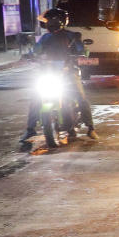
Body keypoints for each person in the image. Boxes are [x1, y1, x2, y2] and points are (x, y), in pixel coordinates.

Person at [19, 8, 98, 142]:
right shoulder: (45, 37)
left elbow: (82, 50)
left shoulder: (72, 36)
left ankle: (91, 128)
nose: (50, 23)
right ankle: (30, 129)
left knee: (81, 97)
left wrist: (82, 53)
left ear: (61, 21)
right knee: (36, 98)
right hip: (49, 73)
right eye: (49, 20)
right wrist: (30, 55)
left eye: (53, 19)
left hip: (68, 71)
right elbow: (36, 50)